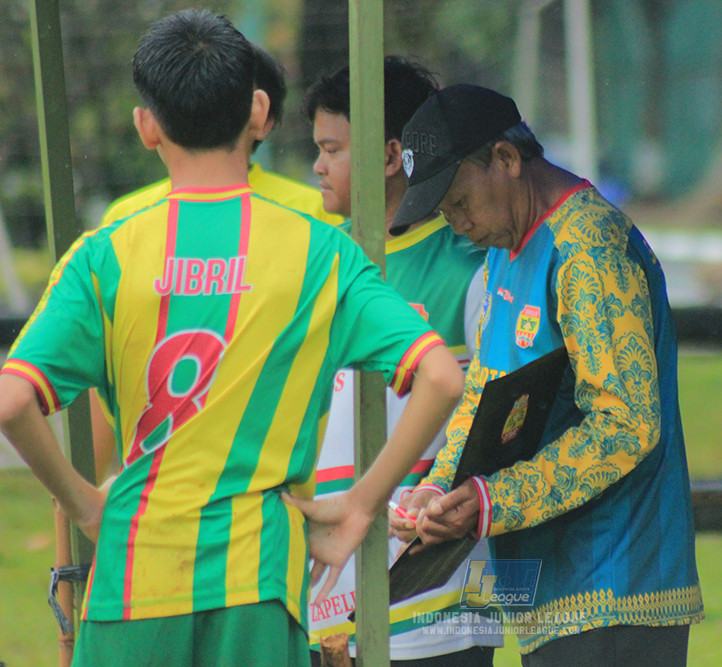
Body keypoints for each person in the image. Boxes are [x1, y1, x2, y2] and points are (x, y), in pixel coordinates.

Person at [0, 10, 464, 667]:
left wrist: (85, 506)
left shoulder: (106, 254)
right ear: (256, 112)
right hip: (259, 582)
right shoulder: (318, 251)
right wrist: (362, 504)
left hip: (131, 583)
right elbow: (442, 377)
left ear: (146, 126)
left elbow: (14, 402)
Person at [388, 84, 704, 667]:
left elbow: (626, 423)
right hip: (550, 594)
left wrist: (492, 500)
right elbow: (486, 386)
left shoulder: (589, 249)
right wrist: (438, 487)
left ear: (507, 160)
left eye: (459, 201)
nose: (457, 223)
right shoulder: (504, 247)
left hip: (616, 590)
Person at [303, 57, 501, 666]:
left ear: (391, 156)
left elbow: (492, 425)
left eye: (332, 148)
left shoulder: (467, 270)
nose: (317, 166)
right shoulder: (313, 259)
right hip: (322, 595)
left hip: (434, 601)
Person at [88, 42, 343, 482]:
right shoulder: (123, 224)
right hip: (202, 494)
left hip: (289, 493)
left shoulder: (318, 217)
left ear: (147, 123)